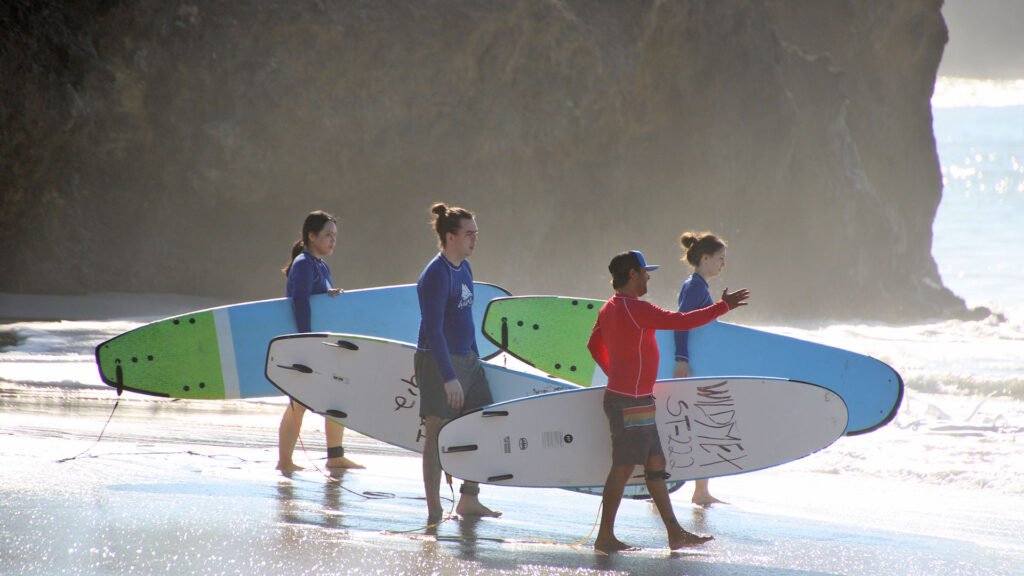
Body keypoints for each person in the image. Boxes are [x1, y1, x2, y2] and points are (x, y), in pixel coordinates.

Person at [587, 250, 749, 552]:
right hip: (630, 402)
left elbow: (593, 345)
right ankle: (605, 537)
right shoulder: (635, 308)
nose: (648, 276)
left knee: (656, 464)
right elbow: (683, 322)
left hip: (635, 398)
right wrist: (723, 306)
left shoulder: (610, 308)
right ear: (633, 274)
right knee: (622, 468)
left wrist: (616, 372)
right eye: (645, 272)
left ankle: (674, 533)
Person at [416, 202, 500, 525]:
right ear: (450, 237)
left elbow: (465, 318)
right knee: (436, 432)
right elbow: (434, 330)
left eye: (476, 234)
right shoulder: (435, 274)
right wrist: (449, 376)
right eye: (469, 234)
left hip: (467, 359)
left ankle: (469, 499)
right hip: (438, 362)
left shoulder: (464, 267)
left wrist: (476, 357)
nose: (474, 240)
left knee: (483, 420)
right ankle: (435, 510)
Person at [276, 210, 363, 473]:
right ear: (312, 236)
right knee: (299, 403)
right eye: (327, 235)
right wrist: (306, 339)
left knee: (337, 396)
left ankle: (335, 456)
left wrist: (329, 296)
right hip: (306, 343)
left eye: (335, 236)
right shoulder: (303, 263)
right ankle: (285, 460)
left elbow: (316, 300)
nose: (332, 240)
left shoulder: (320, 265)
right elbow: (299, 302)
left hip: (321, 343)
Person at [674, 231, 730, 505]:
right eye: (720, 258)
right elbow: (681, 322)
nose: (723, 264)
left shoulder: (697, 286)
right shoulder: (694, 287)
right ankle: (699, 492)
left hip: (698, 365)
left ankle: (700, 490)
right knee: (701, 423)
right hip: (693, 367)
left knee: (700, 423)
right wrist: (681, 359)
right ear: (705, 258)